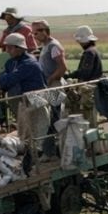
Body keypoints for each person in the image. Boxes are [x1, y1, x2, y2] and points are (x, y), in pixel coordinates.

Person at [0, 33, 50, 167]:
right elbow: (5, 80)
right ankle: (29, 160)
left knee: (37, 131)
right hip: (24, 101)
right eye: (7, 48)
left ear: (20, 48)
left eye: (10, 48)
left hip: (37, 99)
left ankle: (36, 160)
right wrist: (0, 86)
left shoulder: (29, 64)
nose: (8, 51)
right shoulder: (11, 63)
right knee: (24, 132)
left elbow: (7, 79)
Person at [66, 25, 108, 127]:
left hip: (91, 87)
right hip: (95, 85)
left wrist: (69, 75)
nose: (78, 43)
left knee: (90, 114)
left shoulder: (89, 53)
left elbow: (85, 73)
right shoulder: (93, 50)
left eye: (80, 40)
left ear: (85, 40)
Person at [32, 20, 67, 156]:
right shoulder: (46, 46)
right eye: (33, 33)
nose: (35, 36)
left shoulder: (53, 46)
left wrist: (49, 79)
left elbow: (62, 67)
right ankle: (51, 149)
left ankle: (55, 150)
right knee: (50, 117)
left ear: (45, 31)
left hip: (54, 86)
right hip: (49, 86)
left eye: (37, 32)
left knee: (55, 117)